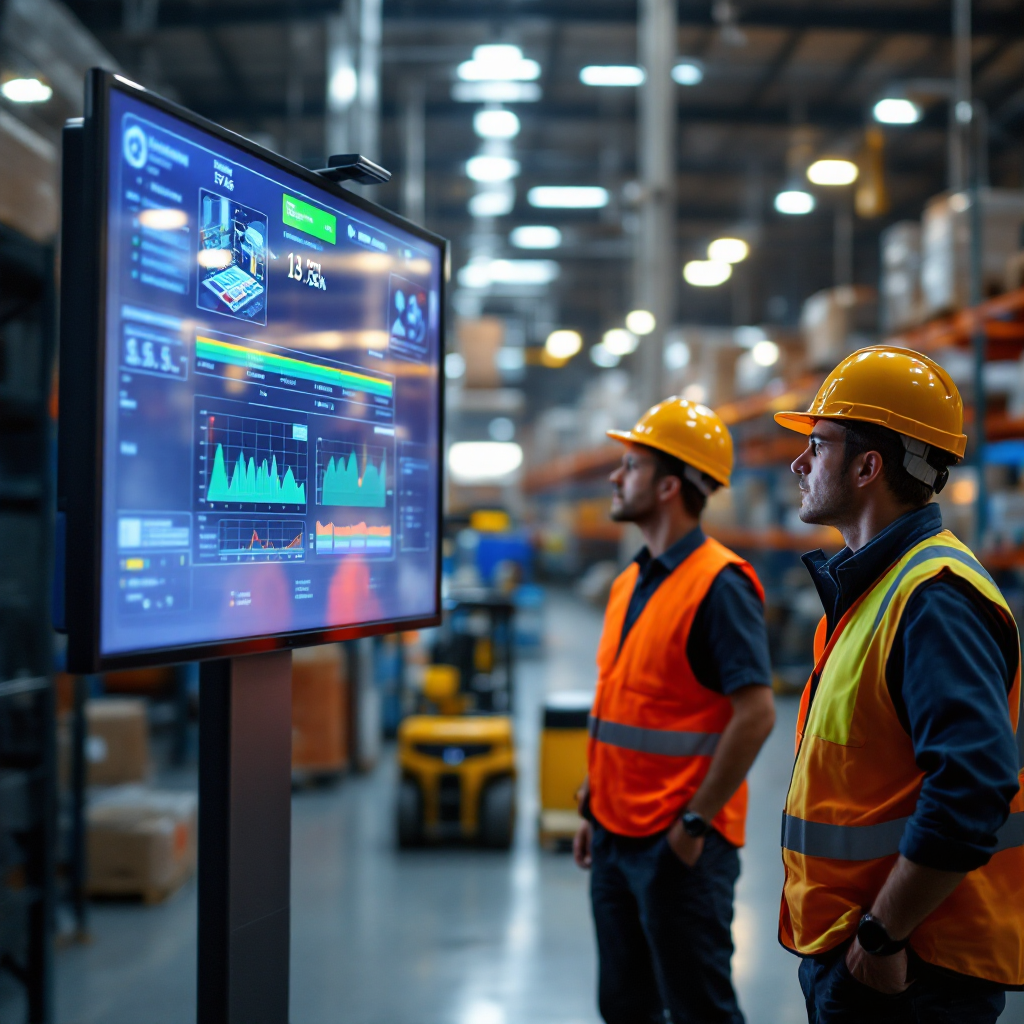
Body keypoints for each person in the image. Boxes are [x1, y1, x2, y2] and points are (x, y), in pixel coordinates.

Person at [773, 346, 1024, 1023]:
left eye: (818, 445)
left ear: (867, 466)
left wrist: (882, 936)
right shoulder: (879, 585)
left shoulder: (932, 598)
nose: (799, 463)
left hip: (909, 967)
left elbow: (972, 787)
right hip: (867, 948)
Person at [573, 396, 777, 1024]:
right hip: (612, 833)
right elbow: (625, 704)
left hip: (678, 845)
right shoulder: (628, 581)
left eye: (629, 465)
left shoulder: (720, 584)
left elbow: (757, 713)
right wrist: (592, 802)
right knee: (624, 1005)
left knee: (699, 1011)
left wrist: (694, 825)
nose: (615, 476)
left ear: (667, 486)